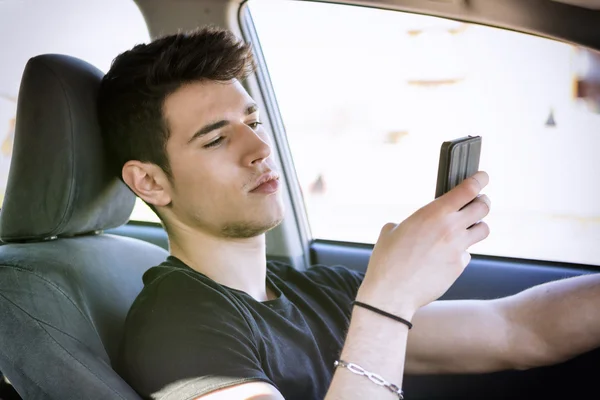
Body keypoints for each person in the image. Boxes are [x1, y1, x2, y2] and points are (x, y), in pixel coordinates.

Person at [97, 27, 600, 400]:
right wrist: (389, 298)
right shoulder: (178, 323)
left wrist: (383, 302)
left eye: (252, 121)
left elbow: (516, 330)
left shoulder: (317, 292)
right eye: (216, 138)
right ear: (150, 182)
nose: (258, 147)